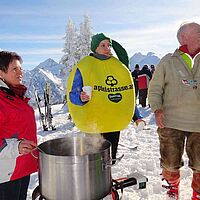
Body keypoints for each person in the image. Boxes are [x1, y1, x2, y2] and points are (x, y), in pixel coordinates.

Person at [148, 22, 200, 200]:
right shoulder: (168, 61)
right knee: (170, 162)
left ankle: (197, 194)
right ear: (184, 37)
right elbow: (155, 89)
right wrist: (157, 109)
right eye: (198, 31)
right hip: (171, 121)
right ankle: (172, 188)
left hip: (198, 122)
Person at [67, 33, 135, 162]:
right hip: (94, 123)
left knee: (110, 159)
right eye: (102, 45)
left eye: (108, 45)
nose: (107, 48)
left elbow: (126, 90)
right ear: (95, 48)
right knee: (95, 160)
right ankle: (94, 181)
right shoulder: (85, 65)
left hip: (113, 121)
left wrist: (136, 116)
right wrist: (80, 98)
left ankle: (107, 178)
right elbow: (72, 94)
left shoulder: (116, 65)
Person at [0, 51, 38, 200]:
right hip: (5, 172)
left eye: (20, 68)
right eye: (14, 69)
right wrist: (16, 147)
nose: (20, 72)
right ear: (1, 73)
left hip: (21, 166)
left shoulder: (14, 96)